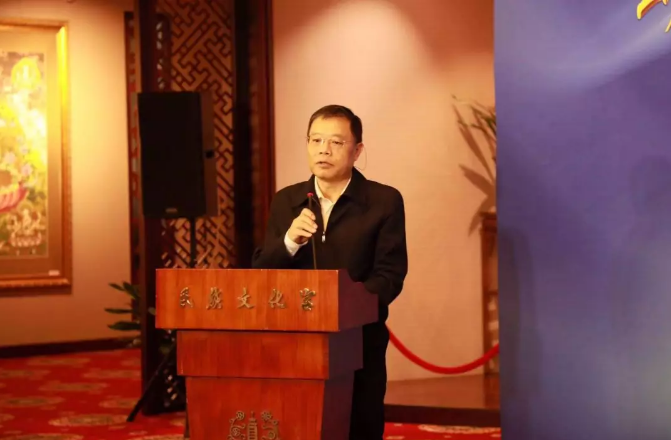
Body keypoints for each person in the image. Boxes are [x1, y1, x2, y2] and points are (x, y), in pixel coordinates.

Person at [252, 104, 408, 440]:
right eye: (316, 140)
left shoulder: (383, 201)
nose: (324, 150)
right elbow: (262, 271)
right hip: (295, 340)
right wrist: (290, 241)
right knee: (298, 425)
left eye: (336, 142)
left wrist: (344, 309)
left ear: (357, 151)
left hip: (358, 340)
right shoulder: (287, 200)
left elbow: (390, 276)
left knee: (358, 425)